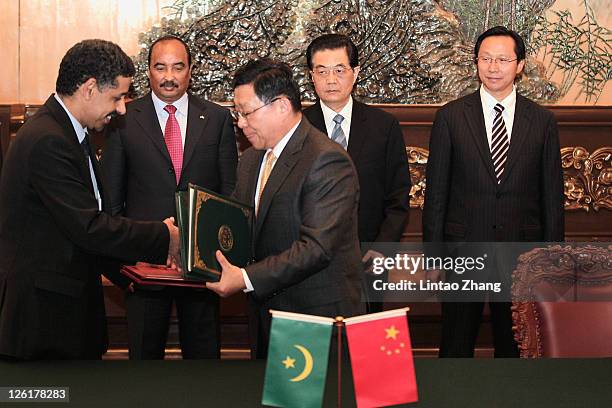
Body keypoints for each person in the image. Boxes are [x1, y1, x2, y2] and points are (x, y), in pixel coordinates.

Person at [0, 39, 180, 360]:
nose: (122, 108)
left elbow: (77, 230)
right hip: (44, 323)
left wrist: (129, 273)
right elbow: (88, 227)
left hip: (62, 314)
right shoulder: (48, 141)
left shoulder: (70, 134)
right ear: (89, 88)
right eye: (118, 97)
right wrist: (164, 236)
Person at [206, 59, 364, 358]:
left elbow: (316, 248)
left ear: (280, 105)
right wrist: (191, 242)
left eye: (246, 112)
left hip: (313, 317)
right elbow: (238, 225)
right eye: (236, 114)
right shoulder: (253, 159)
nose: (240, 123)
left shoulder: (327, 160)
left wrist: (246, 279)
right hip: (266, 315)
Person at [423, 26, 564, 357]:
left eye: (502, 59)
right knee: (455, 347)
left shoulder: (542, 121)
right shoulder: (451, 117)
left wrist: (552, 259)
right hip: (463, 254)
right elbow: (437, 195)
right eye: (485, 59)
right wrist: (434, 256)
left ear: (520, 65)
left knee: (514, 348)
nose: (493, 67)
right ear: (476, 63)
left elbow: (553, 198)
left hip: (521, 255)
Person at [102, 36, 237, 360]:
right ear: (147, 71)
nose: (169, 76)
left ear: (190, 71)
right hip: (145, 263)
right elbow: (112, 199)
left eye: (178, 67)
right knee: (143, 362)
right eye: (160, 67)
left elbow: (230, 193)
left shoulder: (216, 118)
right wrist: (122, 267)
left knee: (203, 361)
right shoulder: (123, 118)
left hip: (202, 265)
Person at [303, 34, 411, 313]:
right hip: (309, 259)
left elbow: (398, 198)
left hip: (369, 259)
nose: (331, 80)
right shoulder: (298, 127)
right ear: (311, 76)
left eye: (339, 70)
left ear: (355, 73)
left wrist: (382, 250)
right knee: (316, 347)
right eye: (321, 71)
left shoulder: (384, 126)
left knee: (365, 346)